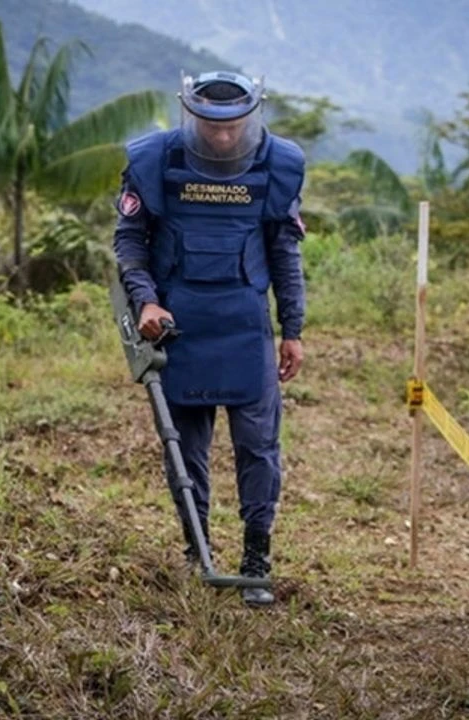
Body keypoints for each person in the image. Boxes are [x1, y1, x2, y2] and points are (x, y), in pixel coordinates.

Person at [112, 70, 307, 606]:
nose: (223, 137)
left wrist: (293, 329)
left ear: (251, 117)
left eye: (233, 127)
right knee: (185, 452)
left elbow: (285, 254)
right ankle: (196, 554)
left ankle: (256, 558)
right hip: (179, 327)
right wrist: (146, 300)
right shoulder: (154, 161)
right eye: (210, 126)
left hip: (246, 328)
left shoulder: (278, 166)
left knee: (259, 449)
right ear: (190, 116)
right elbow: (129, 242)